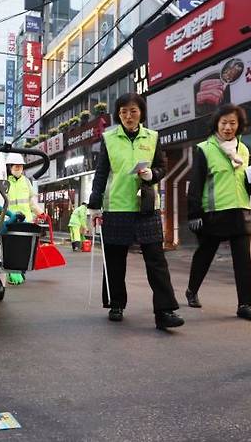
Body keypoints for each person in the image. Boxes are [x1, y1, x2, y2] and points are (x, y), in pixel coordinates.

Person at [87, 93, 184, 330]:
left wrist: (154, 175)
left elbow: (161, 166)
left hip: (146, 207)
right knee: (114, 260)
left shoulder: (152, 137)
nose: (128, 116)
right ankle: (115, 304)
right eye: (123, 112)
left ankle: (165, 311)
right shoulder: (109, 139)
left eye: (133, 111)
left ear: (141, 112)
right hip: (116, 207)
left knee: (156, 260)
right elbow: (101, 174)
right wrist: (93, 206)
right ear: (118, 115)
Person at [185, 104, 251, 323]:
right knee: (205, 254)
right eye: (224, 123)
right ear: (216, 124)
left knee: (242, 260)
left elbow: (245, 182)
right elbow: (196, 184)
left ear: (239, 126)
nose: (228, 127)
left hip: (240, 210)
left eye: (233, 123)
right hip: (213, 212)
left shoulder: (244, 150)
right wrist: (194, 214)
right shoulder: (204, 148)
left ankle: (245, 305)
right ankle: (192, 290)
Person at [5, 152, 43, 285]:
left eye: (20, 167)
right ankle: (11, 272)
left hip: (25, 220)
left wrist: (40, 212)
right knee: (11, 248)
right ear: (9, 167)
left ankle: (21, 271)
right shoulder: (4, 181)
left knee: (23, 248)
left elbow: (32, 201)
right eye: (16, 167)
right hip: (9, 220)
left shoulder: (26, 181)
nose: (18, 169)